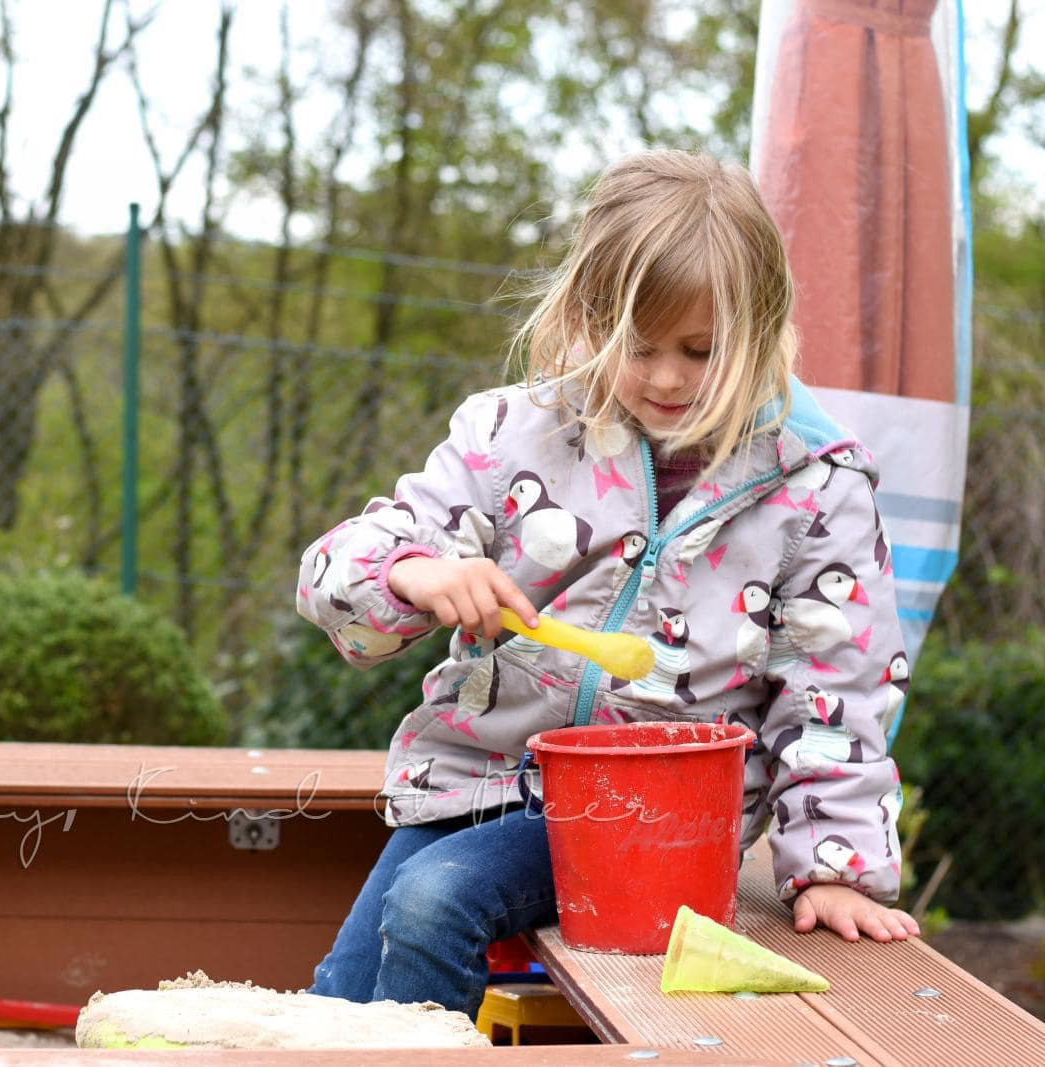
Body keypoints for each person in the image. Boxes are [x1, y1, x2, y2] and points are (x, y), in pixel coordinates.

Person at [296, 150, 918, 1019]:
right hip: (478, 782)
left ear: (764, 327)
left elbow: (834, 692)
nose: (667, 378)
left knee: (435, 901)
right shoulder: (516, 434)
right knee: (339, 1004)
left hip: (653, 824)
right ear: (588, 315)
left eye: (702, 351)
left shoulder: (813, 486)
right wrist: (415, 571)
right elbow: (345, 569)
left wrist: (834, 866)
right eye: (639, 345)